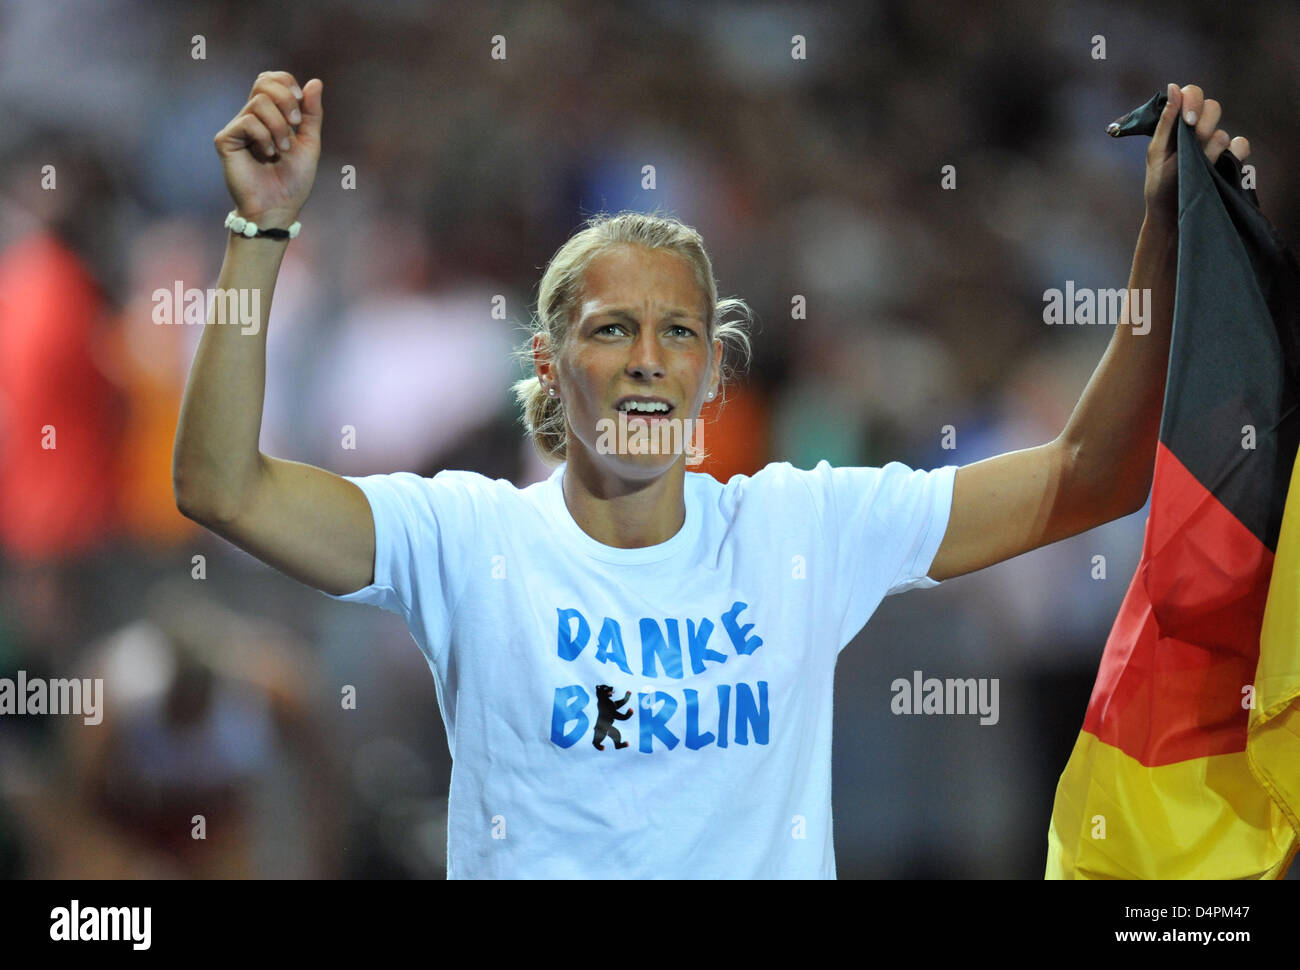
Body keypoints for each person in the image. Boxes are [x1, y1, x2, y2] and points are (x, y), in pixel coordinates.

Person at [175, 73, 1252, 878]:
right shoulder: (468, 539)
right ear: (550, 363)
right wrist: (259, 228)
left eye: (677, 330)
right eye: (612, 329)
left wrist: (1162, 237)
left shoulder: (801, 528)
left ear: (709, 369)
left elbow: (1089, 473)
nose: (647, 355)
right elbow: (225, 486)